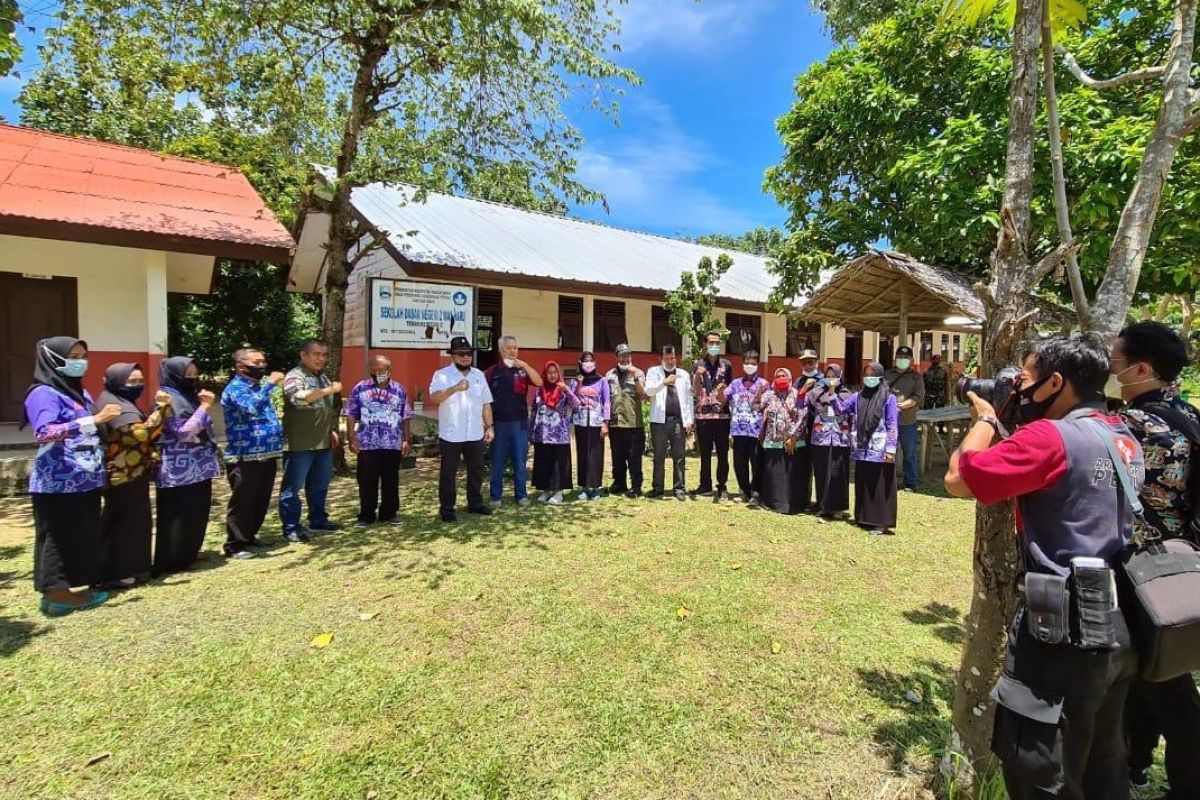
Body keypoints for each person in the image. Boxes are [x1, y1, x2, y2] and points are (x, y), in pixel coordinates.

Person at [944, 333, 1144, 800]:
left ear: (1056, 382)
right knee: (1102, 757)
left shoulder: (1049, 437)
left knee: (1038, 762)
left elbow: (958, 478)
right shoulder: (1120, 433)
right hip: (1120, 622)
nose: (1018, 388)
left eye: (1026, 379)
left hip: (1061, 628)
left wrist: (987, 418)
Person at [1109, 321, 1200, 799]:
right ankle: (1135, 762)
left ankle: (1189, 783)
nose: (1110, 370)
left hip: (1145, 568)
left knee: (1168, 682)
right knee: (1147, 672)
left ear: (1142, 369)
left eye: (1115, 363)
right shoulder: (1186, 414)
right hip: (1178, 561)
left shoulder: (1139, 427)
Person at [21, 337, 121, 616]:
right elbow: (44, 432)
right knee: (58, 537)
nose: (80, 361)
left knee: (80, 535)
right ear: (52, 360)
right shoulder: (42, 393)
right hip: (58, 482)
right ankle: (56, 595)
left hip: (84, 480)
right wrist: (94, 420)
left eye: (83, 355)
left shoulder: (77, 392)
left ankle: (73, 588)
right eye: (73, 356)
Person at [96, 363, 172, 587]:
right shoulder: (113, 404)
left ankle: (134, 569)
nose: (137, 386)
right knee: (122, 524)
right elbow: (140, 434)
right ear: (115, 381)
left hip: (132, 472)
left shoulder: (121, 401)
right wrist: (162, 408)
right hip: (122, 475)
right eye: (131, 382)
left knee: (134, 523)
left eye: (140, 381)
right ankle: (113, 574)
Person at [154, 357, 220, 576]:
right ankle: (172, 561)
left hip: (199, 467)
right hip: (177, 470)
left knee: (196, 513)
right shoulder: (166, 398)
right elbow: (183, 432)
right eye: (187, 374)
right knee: (177, 517)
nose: (192, 378)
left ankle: (189, 553)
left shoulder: (188, 396)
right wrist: (204, 407)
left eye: (194, 373)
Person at [221, 347, 285, 559]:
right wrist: (270, 384)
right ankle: (235, 544)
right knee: (244, 500)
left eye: (263, 361)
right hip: (244, 455)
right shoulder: (235, 389)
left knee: (260, 498)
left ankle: (249, 536)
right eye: (256, 363)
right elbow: (250, 408)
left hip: (266, 454)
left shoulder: (258, 387)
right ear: (241, 366)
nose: (262, 366)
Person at [279, 339, 343, 542]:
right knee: (292, 488)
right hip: (300, 444)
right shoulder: (294, 376)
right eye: (316, 354)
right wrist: (328, 391)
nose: (321, 359)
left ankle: (318, 520)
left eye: (324, 355)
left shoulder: (323, 377)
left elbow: (326, 408)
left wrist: (332, 429)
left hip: (322, 442)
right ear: (303, 355)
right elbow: (298, 398)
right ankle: (291, 527)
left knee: (320, 485)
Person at [429, 336, 495, 522]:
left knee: (476, 471)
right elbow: (434, 398)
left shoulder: (478, 375)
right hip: (451, 433)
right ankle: (447, 510)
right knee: (448, 474)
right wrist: (454, 388)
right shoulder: (441, 375)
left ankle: (475, 504)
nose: (466, 357)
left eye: (469, 353)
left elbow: (486, 404)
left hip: (474, 432)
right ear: (453, 356)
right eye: (461, 354)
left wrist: (489, 427)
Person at [345, 354, 413, 528]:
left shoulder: (399, 389)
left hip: (392, 443)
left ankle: (389, 513)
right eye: (373, 370)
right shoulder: (360, 388)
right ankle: (366, 515)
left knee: (391, 480)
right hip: (367, 443)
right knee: (367, 481)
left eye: (381, 370)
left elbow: (405, 416)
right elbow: (351, 413)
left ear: (389, 371)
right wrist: (351, 437)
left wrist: (406, 439)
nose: (377, 373)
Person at [833, 362, 898, 534]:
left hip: (880, 450)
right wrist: (832, 394)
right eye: (866, 374)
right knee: (863, 483)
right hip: (862, 449)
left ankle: (880, 522)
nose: (869, 377)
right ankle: (864, 518)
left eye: (873, 374)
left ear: (880, 376)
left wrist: (891, 450)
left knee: (879, 485)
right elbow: (840, 410)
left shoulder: (889, 398)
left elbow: (892, 425)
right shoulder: (857, 397)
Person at [485, 335, 542, 509]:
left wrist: (525, 365)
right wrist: (488, 426)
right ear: (501, 350)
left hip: (519, 424)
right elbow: (484, 400)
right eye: (509, 347)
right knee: (497, 462)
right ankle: (495, 496)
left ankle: (521, 495)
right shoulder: (492, 372)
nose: (513, 351)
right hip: (499, 424)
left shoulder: (522, 371)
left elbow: (539, 382)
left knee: (520, 462)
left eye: (516, 347)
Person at [645, 345, 694, 501]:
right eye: (667, 359)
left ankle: (679, 488)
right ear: (661, 359)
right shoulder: (654, 372)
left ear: (676, 357)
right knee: (659, 456)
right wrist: (664, 382)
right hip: (659, 421)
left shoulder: (683, 375)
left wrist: (689, 420)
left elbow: (688, 399)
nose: (670, 361)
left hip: (678, 420)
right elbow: (648, 391)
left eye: (672, 358)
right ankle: (658, 488)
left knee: (679, 456)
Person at [807, 363, 853, 521]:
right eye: (828, 376)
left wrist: (833, 393)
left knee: (838, 472)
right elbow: (804, 407)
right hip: (821, 439)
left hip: (841, 439)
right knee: (822, 473)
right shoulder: (816, 394)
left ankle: (838, 508)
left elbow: (851, 415)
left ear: (840, 376)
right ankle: (823, 506)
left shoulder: (847, 394)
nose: (831, 379)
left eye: (834, 376)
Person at [692, 331, 734, 502]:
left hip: (722, 416)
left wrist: (725, 393)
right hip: (703, 417)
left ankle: (722, 486)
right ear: (705, 344)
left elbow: (731, 390)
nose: (714, 345)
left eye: (717, 342)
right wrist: (697, 375)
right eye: (711, 342)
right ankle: (705, 485)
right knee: (705, 453)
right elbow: (695, 391)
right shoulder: (697, 364)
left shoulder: (727, 365)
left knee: (723, 453)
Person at [757, 367, 805, 514]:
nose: (781, 378)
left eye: (784, 376)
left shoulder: (798, 395)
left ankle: (793, 505)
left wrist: (793, 437)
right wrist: (759, 392)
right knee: (774, 475)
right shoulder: (769, 395)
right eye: (778, 376)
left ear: (790, 379)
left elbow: (803, 416)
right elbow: (756, 407)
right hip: (773, 441)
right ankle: (772, 503)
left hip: (793, 441)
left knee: (791, 475)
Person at [531, 361, 578, 505]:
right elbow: (534, 411)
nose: (552, 375)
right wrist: (531, 431)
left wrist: (567, 391)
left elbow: (576, 405)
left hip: (559, 435)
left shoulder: (564, 390)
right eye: (549, 372)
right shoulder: (540, 390)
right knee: (544, 463)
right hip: (542, 434)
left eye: (554, 372)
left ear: (558, 373)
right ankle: (546, 490)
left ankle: (558, 493)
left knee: (559, 464)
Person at [724, 349, 767, 505]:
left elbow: (765, 405)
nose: (750, 365)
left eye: (753, 363)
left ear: (758, 364)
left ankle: (756, 492)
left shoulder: (764, 384)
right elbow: (724, 397)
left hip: (756, 431)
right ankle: (744, 491)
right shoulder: (735, 384)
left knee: (756, 462)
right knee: (739, 463)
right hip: (738, 430)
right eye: (747, 362)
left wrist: (761, 393)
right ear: (743, 364)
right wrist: (720, 391)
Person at [606, 344, 646, 497]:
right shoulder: (609, 375)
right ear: (616, 357)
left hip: (633, 423)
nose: (625, 358)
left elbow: (643, 395)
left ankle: (636, 486)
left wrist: (635, 377)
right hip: (615, 423)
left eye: (628, 355)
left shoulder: (639, 373)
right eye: (622, 355)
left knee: (634, 457)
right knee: (617, 456)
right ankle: (619, 483)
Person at [570, 351, 611, 500]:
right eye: (585, 361)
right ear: (580, 363)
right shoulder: (575, 381)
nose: (588, 364)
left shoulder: (602, 380)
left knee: (596, 455)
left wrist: (605, 423)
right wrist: (579, 383)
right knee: (582, 454)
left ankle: (595, 488)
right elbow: (572, 400)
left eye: (590, 361)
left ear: (594, 363)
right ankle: (584, 487)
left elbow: (606, 402)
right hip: (580, 423)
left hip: (596, 423)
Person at [884, 345, 924, 492]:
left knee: (909, 454)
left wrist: (901, 406)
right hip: (888, 422)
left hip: (907, 421)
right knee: (888, 453)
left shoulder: (916, 377)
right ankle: (887, 481)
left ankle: (910, 483)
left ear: (912, 360)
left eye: (906, 357)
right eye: (900, 357)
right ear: (895, 359)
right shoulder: (886, 375)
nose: (902, 359)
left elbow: (918, 397)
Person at [792, 348, 822, 511]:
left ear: (816, 362)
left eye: (811, 362)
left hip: (820, 429)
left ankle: (820, 501)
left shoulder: (825, 380)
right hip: (802, 429)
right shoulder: (798, 382)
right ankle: (804, 498)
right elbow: (795, 405)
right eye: (804, 362)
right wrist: (803, 390)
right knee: (803, 464)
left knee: (819, 466)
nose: (808, 365)